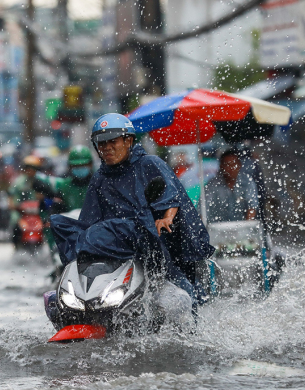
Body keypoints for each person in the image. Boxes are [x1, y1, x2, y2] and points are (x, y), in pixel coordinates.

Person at [50, 113, 214, 305]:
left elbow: (172, 197)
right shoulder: (99, 178)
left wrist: (166, 218)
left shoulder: (149, 164)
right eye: (102, 144)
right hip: (114, 246)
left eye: (113, 142)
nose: (107, 148)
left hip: (151, 241)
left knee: (182, 299)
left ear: (128, 141)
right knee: (59, 224)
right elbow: (89, 221)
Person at [204, 149, 258, 223]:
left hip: (242, 228)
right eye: (227, 165)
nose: (231, 168)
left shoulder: (247, 182)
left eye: (234, 164)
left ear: (239, 165)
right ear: (221, 166)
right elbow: (203, 208)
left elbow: (252, 207)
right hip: (217, 229)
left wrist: (247, 227)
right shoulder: (212, 185)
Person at [9, 155, 43, 245]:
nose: (30, 170)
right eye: (28, 168)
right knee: (16, 225)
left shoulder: (41, 181)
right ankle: (17, 244)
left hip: (37, 212)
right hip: (21, 212)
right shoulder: (19, 182)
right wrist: (16, 206)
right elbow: (12, 198)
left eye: (33, 168)